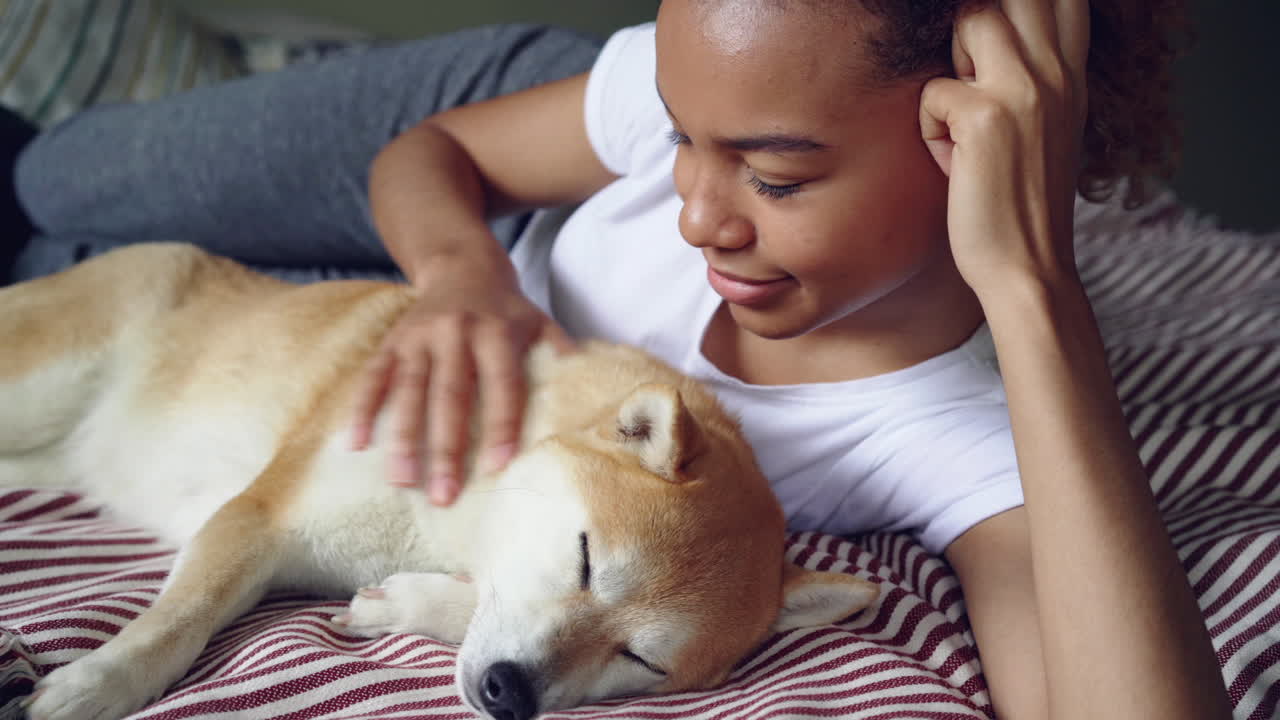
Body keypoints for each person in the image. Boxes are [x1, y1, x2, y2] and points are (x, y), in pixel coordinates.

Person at [5, 1, 1231, 718]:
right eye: (689, 139)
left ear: (980, 142)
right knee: (52, 170)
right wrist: (460, 276)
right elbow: (427, 156)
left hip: (429, 374)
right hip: (484, 192)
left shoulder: (947, 430)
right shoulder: (679, 102)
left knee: (61, 245)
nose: (695, 214)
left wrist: (1033, 285)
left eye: (773, 174)